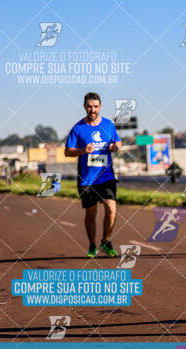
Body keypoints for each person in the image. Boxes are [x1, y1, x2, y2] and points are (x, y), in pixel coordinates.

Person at [65, 92, 122, 258]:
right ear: (84, 107)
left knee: (111, 208)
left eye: (95, 106)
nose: (92, 109)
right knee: (91, 213)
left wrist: (115, 147)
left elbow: (118, 141)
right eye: (89, 106)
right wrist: (83, 150)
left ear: (100, 107)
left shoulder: (108, 125)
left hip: (106, 176)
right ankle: (92, 245)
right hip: (87, 179)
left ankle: (106, 240)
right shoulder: (78, 128)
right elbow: (68, 152)